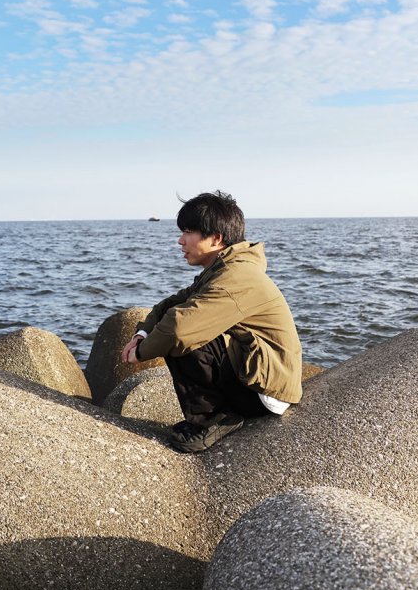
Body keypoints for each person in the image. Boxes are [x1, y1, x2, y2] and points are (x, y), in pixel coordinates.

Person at [121, 191, 302, 453]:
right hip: (257, 374)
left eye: (188, 232)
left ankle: (215, 420)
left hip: (265, 392)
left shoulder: (236, 276)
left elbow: (179, 328)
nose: (180, 241)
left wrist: (140, 353)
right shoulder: (225, 267)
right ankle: (214, 414)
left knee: (184, 333)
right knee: (181, 318)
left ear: (216, 238)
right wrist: (142, 333)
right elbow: (174, 303)